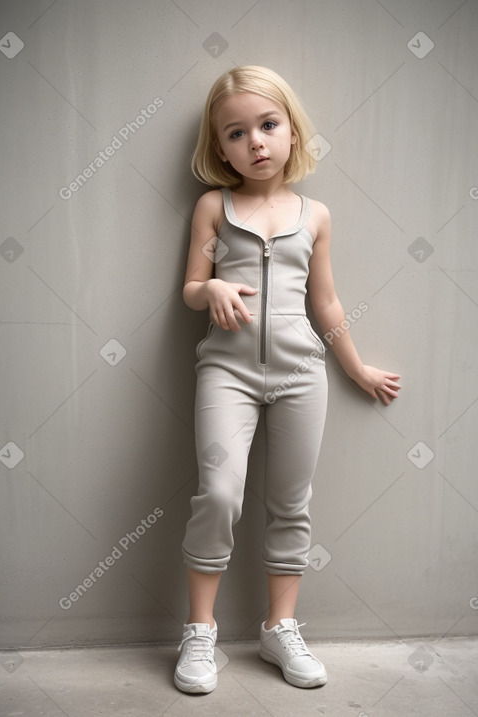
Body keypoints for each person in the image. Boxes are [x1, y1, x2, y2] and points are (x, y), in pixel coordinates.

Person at [174, 65, 401, 694]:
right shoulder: (212, 207)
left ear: (291, 131)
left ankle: (280, 628)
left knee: (290, 504)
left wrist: (354, 366)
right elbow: (191, 290)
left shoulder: (316, 214)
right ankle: (199, 633)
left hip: (303, 373)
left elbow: (325, 303)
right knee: (220, 493)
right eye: (236, 133)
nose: (255, 143)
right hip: (227, 371)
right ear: (219, 147)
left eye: (268, 126)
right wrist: (212, 285)